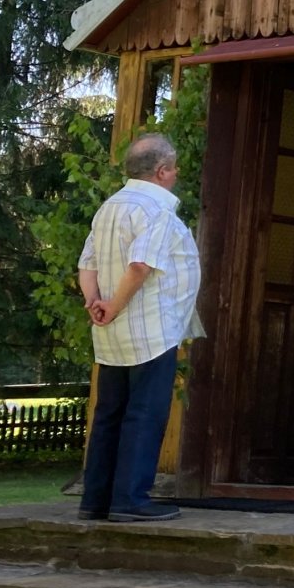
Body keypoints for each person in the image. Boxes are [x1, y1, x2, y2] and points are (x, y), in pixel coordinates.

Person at [77, 132, 204, 521]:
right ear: (162, 171)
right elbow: (140, 265)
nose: (176, 174)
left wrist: (95, 304)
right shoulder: (157, 211)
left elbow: (88, 263)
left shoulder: (109, 208)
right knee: (144, 413)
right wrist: (112, 305)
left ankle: (96, 499)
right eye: (174, 168)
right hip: (150, 328)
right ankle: (131, 500)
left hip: (113, 331)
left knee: (110, 412)